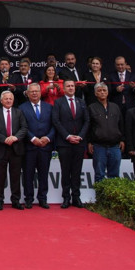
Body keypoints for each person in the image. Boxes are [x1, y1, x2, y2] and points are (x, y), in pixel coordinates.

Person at [51, 79, 88, 207]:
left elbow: (86, 121)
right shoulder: (58, 102)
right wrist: (67, 136)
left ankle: (76, 197)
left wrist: (80, 136)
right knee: (65, 171)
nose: (71, 88)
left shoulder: (81, 102)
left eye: (73, 86)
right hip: (64, 143)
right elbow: (56, 121)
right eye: (68, 86)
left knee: (77, 171)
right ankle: (66, 197)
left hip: (79, 142)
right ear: (64, 88)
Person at [0, 90, 28, 210]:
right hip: (1, 148)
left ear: (13, 100)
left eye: (10, 99)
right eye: (6, 99)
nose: (8, 101)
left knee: (15, 176)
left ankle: (15, 200)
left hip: (16, 149)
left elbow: (24, 127)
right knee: (0, 177)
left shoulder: (19, 112)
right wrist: (4, 139)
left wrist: (15, 137)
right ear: (1, 101)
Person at [19, 83, 55, 208]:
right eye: (32, 91)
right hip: (29, 147)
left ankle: (42, 198)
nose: (34, 93)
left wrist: (48, 138)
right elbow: (22, 126)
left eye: (36, 91)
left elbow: (54, 125)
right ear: (27, 94)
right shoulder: (22, 108)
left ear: (40, 93)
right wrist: (33, 138)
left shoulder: (49, 107)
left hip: (45, 146)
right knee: (28, 174)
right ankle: (28, 198)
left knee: (43, 174)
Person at [88, 83, 125, 182]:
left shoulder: (115, 107)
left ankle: (113, 198)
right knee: (99, 175)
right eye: (99, 91)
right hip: (99, 146)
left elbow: (121, 124)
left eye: (104, 90)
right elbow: (89, 126)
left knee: (114, 175)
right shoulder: (91, 107)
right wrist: (90, 142)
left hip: (115, 146)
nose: (102, 92)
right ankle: (100, 198)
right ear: (95, 93)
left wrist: (122, 139)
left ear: (108, 92)